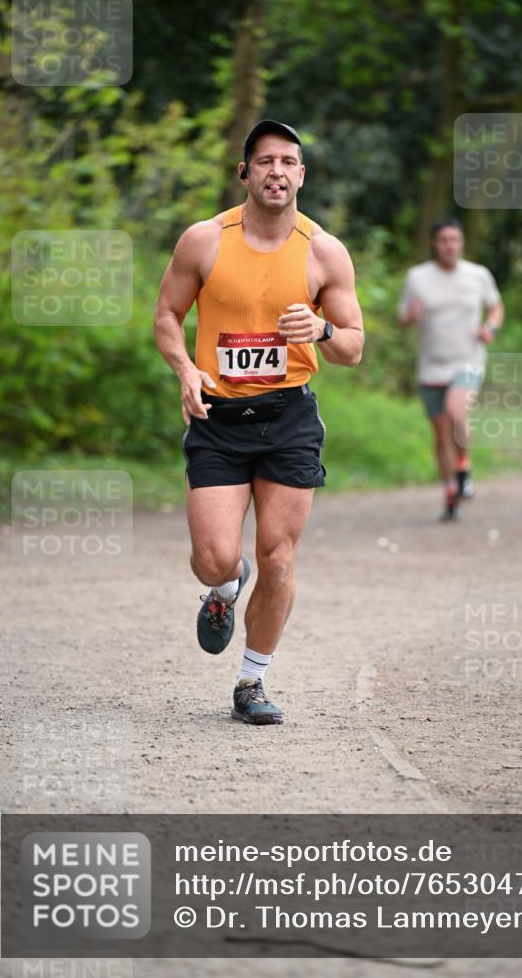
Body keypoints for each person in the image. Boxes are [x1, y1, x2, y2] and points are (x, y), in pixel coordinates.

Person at [154, 120, 364, 725]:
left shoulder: (323, 251)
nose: (277, 171)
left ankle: (251, 683)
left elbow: (352, 347)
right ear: (245, 173)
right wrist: (185, 370)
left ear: (302, 175)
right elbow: (167, 314)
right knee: (215, 558)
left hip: (289, 416)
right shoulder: (205, 241)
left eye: (289, 162)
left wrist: (322, 330)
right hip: (217, 416)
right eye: (265, 161)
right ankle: (224, 586)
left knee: (278, 558)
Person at [399, 218, 504, 521]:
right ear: (435, 243)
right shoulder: (418, 277)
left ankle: (464, 468)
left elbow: (496, 307)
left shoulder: (477, 275)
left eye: (455, 240)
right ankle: (450, 491)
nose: (450, 245)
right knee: (441, 434)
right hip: (431, 365)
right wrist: (411, 316)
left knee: (458, 412)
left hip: (468, 360)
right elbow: (403, 318)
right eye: (444, 240)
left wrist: (490, 328)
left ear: (462, 243)